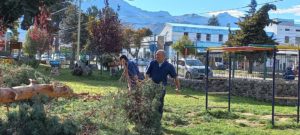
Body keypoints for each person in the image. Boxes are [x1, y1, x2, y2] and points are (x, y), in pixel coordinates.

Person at [145, 50, 180, 119]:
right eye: (156, 55)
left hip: (161, 88)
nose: (156, 56)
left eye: (158, 55)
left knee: (159, 104)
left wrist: (178, 88)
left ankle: (158, 120)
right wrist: (147, 81)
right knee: (149, 102)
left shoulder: (169, 66)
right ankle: (150, 119)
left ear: (163, 56)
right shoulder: (152, 63)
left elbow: (175, 77)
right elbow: (147, 74)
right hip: (151, 86)